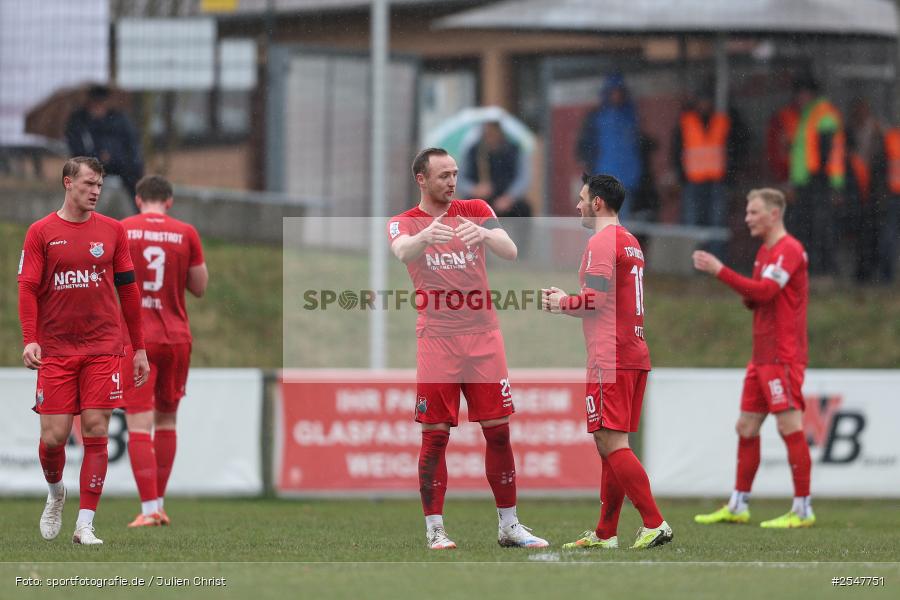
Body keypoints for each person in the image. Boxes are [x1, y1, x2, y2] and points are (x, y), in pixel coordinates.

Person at [387, 147, 548, 550]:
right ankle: (435, 530)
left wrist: (487, 233)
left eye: (455, 173)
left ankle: (509, 526)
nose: (452, 182)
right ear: (421, 179)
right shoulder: (403, 222)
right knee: (435, 435)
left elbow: (510, 250)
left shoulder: (475, 207)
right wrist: (426, 235)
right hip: (438, 340)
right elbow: (401, 252)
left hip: (483, 337)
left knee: (499, 432)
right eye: (443, 175)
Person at [17, 156, 149, 545]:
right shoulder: (41, 232)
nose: (95, 192)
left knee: (95, 429)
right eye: (89, 184)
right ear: (67, 182)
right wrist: (30, 338)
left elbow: (128, 290)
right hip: (56, 349)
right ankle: (56, 491)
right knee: (54, 438)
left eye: (100, 186)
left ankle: (85, 524)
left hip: (103, 346)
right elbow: (27, 288)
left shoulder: (112, 231)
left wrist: (138, 348)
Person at [542, 173, 672, 550]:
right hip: (634, 352)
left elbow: (594, 300)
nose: (578, 205)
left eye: (583, 199)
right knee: (610, 442)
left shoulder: (601, 242)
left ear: (598, 203)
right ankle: (605, 533)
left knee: (609, 440)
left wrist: (560, 303)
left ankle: (654, 522)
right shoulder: (631, 242)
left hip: (610, 355)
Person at [693, 188, 814, 529]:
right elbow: (756, 298)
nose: (747, 218)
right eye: (747, 212)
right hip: (762, 355)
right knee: (746, 427)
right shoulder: (765, 253)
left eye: (754, 212)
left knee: (789, 426)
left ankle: (803, 508)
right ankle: (738, 505)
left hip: (783, 356)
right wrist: (749, 292)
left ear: (774, 214)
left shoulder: (789, 250)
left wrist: (720, 270)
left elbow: (764, 292)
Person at [120, 175, 208, 527]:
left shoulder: (123, 229)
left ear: (139, 200)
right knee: (167, 420)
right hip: (176, 337)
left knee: (138, 425)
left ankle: (148, 509)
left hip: (136, 340)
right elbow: (199, 287)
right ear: (169, 201)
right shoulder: (186, 232)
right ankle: (159, 504)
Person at [786, 76, 845, 277]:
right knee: (810, 225)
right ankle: (814, 269)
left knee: (820, 226)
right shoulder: (809, 114)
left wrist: (819, 178)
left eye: (801, 93)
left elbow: (825, 150)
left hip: (818, 180)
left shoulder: (823, 114)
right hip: (808, 180)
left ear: (810, 94)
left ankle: (826, 270)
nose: (798, 98)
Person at [671, 89, 734, 259]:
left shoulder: (723, 121)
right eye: (702, 100)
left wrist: (730, 174)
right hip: (693, 181)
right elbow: (676, 150)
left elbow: (734, 149)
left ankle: (715, 262)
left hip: (716, 181)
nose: (704, 104)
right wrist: (681, 175)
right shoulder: (686, 121)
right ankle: (693, 261)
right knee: (692, 223)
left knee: (717, 224)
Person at [577, 73, 642, 222]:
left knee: (621, 219)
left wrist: (635, 176)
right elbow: (586, 147)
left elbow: (633, 149)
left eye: (619, 92)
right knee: (599, 218)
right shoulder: (597, 117)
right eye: (613, 92)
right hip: (603, 178)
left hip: (625, 180)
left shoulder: (630, 116)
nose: (616, 96)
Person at [65, 84, 144, 201]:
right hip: (91, 166)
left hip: (122, 166)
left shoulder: (119, 120)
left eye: (100, 103)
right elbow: (77, 150)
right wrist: (97, 157)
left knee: (133, 182)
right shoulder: (79, 122)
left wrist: (114, 157)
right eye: (95, 103)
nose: (98, 108)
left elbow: (131, 148)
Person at [459, 120, 532, 219]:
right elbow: (461, 180)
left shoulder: (514, 151)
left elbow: (523, 179)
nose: (490, 136)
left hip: (507, 200)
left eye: (493, 132)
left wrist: (509, 198)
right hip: (479, 200)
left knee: (524, 210)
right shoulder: (473, 151)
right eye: (487, 132)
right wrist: (475, 189)